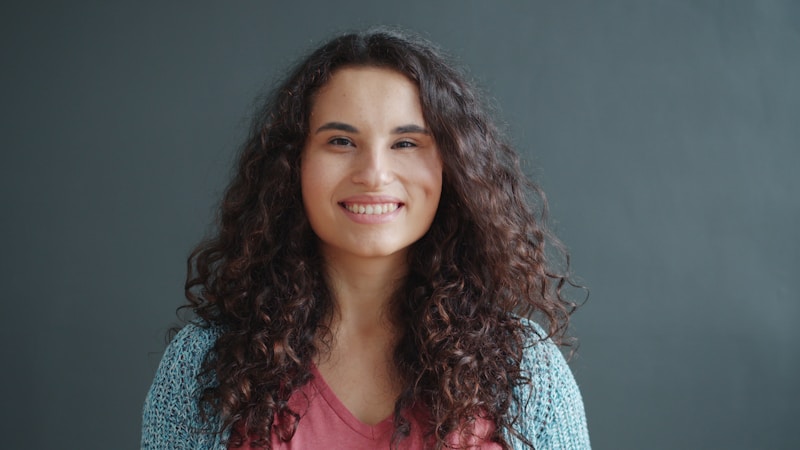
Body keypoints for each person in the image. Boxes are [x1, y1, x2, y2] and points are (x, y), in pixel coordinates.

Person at [141, 27, 590, 450]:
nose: (374, 173)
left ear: (450, 167)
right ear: (292, 165)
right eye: (340, 141)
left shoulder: (525, 368)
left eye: (406, 143)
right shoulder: (205, 364)